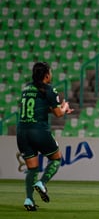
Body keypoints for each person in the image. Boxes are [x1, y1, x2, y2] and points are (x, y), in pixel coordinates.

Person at [16, 62, 74, 211]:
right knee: (56, 158)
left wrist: (55, 109)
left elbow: (37, 108)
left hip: (22, 132)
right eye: (51, 72)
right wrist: (64, 108)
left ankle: (29, 199)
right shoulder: (49, 89)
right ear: (47, 75)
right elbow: (58, 114)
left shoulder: (26, 89)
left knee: (32, 169)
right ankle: (42, 183)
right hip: (39, 131)